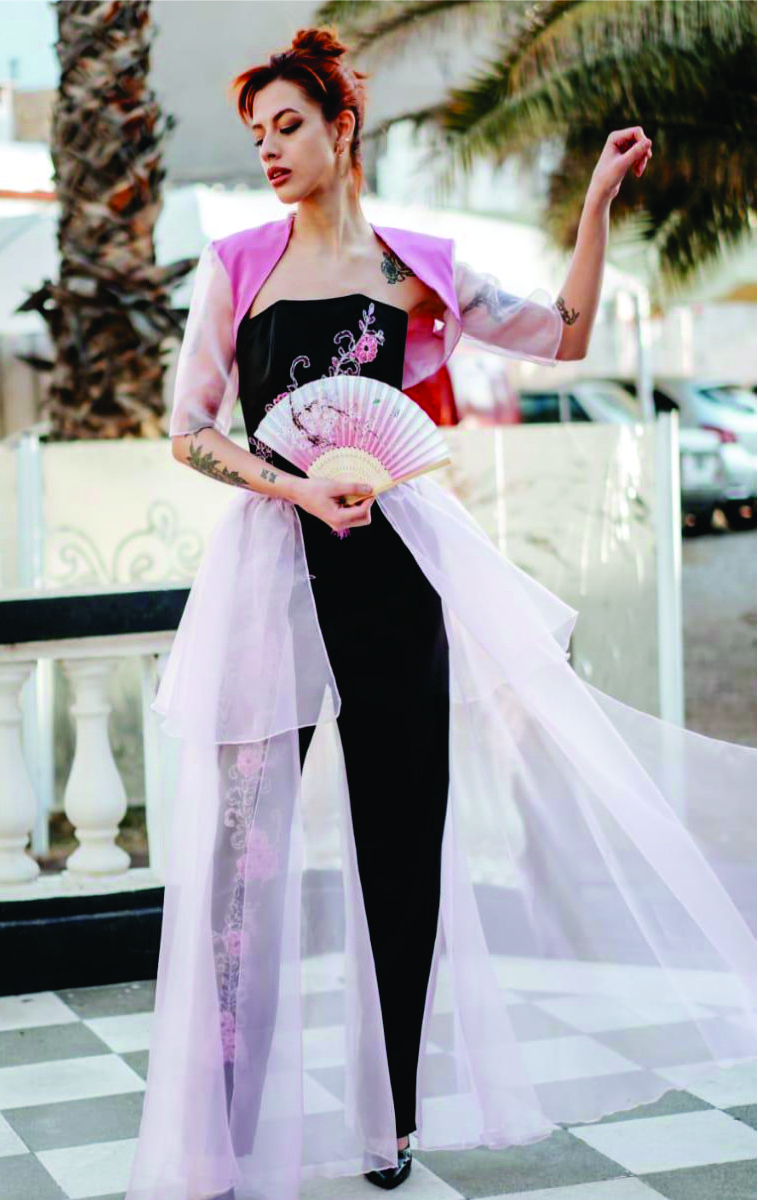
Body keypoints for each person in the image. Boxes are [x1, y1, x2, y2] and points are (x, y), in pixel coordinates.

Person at [124, 27, 755, 1200]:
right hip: (270, 572)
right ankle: (223, 1124)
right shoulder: (237, 265)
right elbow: (189, 429)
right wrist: (294, 488)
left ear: (341, 126)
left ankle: (392, 1122)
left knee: (400, 845)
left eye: (288, 125)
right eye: (257, 134)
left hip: (395, 573)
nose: (269, 150)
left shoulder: (418, 265)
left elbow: (561, 334)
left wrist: (595, 205)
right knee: (240, 859)